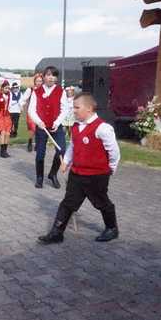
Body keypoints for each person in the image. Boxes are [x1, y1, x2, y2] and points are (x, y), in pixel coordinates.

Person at [38, 93, 120, 244]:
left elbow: (114, 152)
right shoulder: (76, 127)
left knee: (101, 202)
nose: (74, 111)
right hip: (77, 173)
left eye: (77, 107)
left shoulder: (103, 128)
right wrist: (66, 161)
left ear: (89, 108)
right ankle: (57, 233)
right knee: (68, 203)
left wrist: (111, 169)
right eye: (73, 107)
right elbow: (73, 146)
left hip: (96, 176)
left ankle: (112, 228)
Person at [28, 66, 68, 189]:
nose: (51, 77)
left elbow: (65, 109)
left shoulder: (61, 91)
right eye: (49, 75)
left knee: (61, 150)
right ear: (44, 77)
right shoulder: (37, 91)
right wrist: (39, 122)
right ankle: (39, 177)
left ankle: (53, 174)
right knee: (40, 153)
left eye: (54, 75)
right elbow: (31, 110)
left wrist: (57, 122)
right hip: (42, 127)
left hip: (56, 126)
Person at [21, 73, 43, 152]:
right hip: (32, 112)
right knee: (32, 129)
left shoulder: (44, 90)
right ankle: (30, 142)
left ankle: (38, 144)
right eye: (37, 81)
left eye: (40, 81)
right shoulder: (30, 90)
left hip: (41, 113)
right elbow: (23, 99)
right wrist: (22, 106)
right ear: (35, 81)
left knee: (40, 129)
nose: (39, 83)